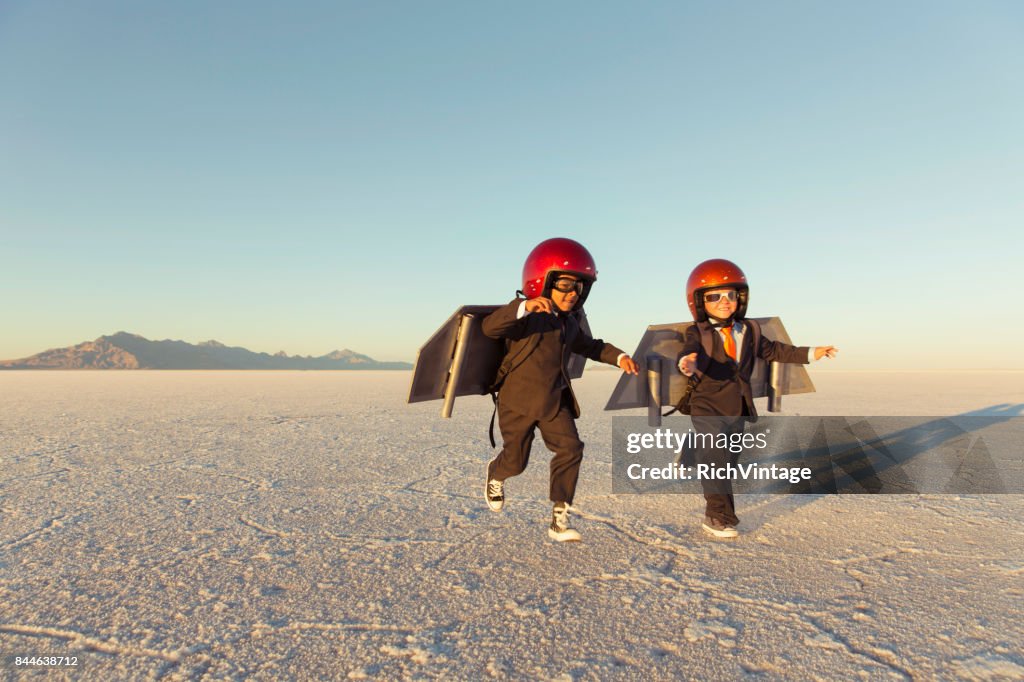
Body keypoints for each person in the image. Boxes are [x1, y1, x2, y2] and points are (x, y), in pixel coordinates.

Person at [482, 238, 638, 542]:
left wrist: (618, 357)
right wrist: (524, 306)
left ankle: (559, 517)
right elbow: (490, 327)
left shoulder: (569, 323)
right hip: (518, 403)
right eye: (566, 284)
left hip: (554, 401)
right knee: (516, 462)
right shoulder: (525, 318)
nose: (573, 293)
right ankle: (496, 474)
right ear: (543, 280)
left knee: (571, 449)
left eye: (579, 287)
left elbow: (589, 346)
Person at [678, 258, 838, 538]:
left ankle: (692, 451)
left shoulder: (749, 329)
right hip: (707, 406)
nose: (725, 302)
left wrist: (812, 352)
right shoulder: (698, 332)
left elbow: (776, 351)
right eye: (715, 296)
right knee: (716, 459)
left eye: (732, 295)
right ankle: (717, 517)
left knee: (729, 459)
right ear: (700, 302)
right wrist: (688, 361)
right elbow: (691, 350)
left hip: (738, 406)